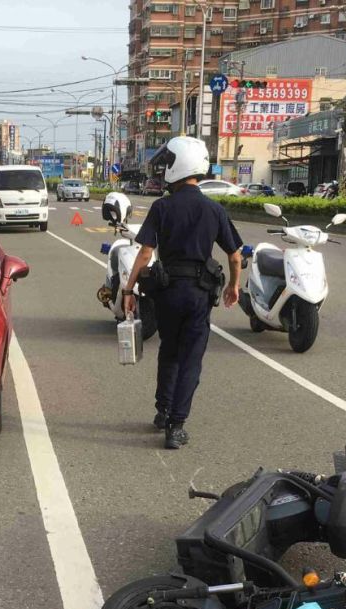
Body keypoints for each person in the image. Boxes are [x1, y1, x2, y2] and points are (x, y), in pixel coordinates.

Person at [123, 135, 243, 450]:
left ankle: (163, 411)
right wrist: (234, 285)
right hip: (199, 295)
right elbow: (234, 255)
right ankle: (176, 426)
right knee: (191, 360)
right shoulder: (214, 210)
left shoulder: (162, 207)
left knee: (169, 350)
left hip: (166, 292)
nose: (164, 169)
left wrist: (128, 288)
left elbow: (145, 254)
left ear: (179, 166)